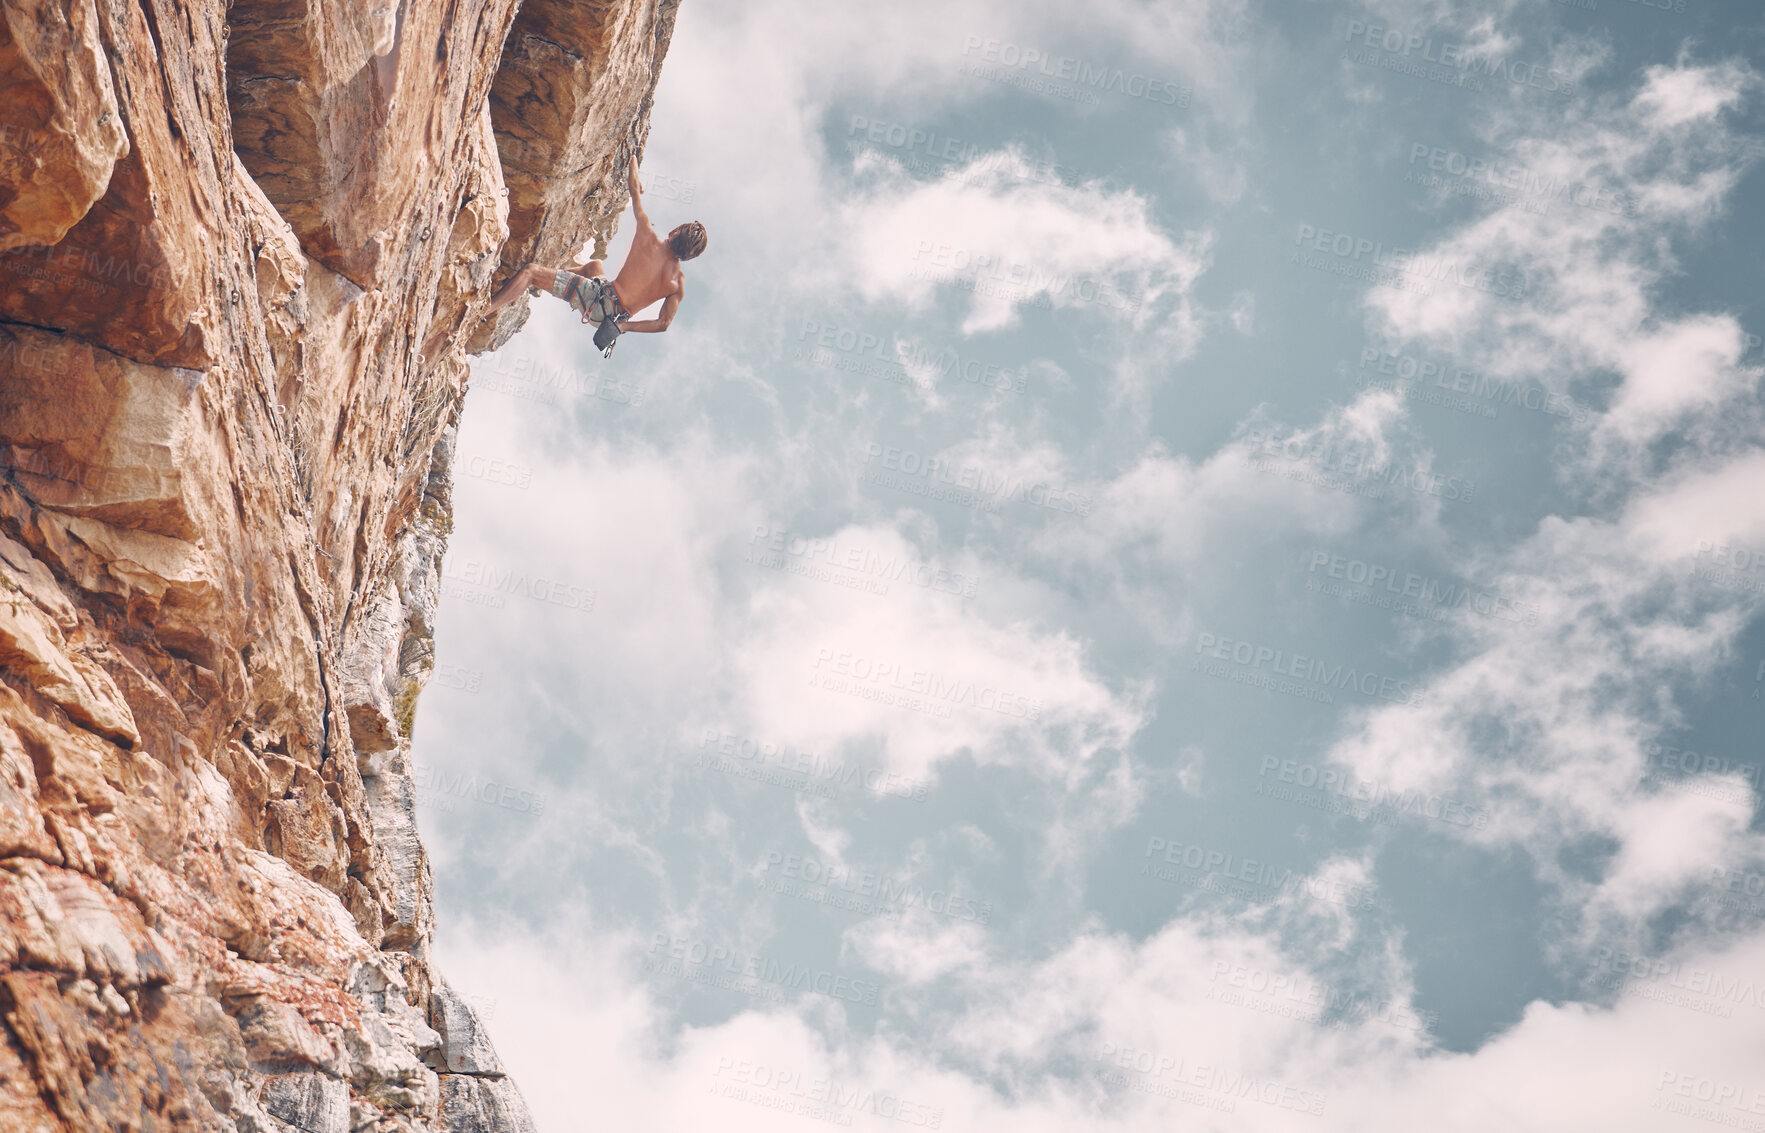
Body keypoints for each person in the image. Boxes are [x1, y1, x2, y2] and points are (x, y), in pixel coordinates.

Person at [484, 156, 707, 343]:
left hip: (596, 298)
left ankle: (484, 310)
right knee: (594, 266)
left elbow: (633, 189)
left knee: (530, 272)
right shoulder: (677, 283)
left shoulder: (648, 235)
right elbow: (663, 324)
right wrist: (623, 327)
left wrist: (632, 160)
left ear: (677, 232)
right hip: (611, 319)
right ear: (691, 255)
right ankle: (556, 275)